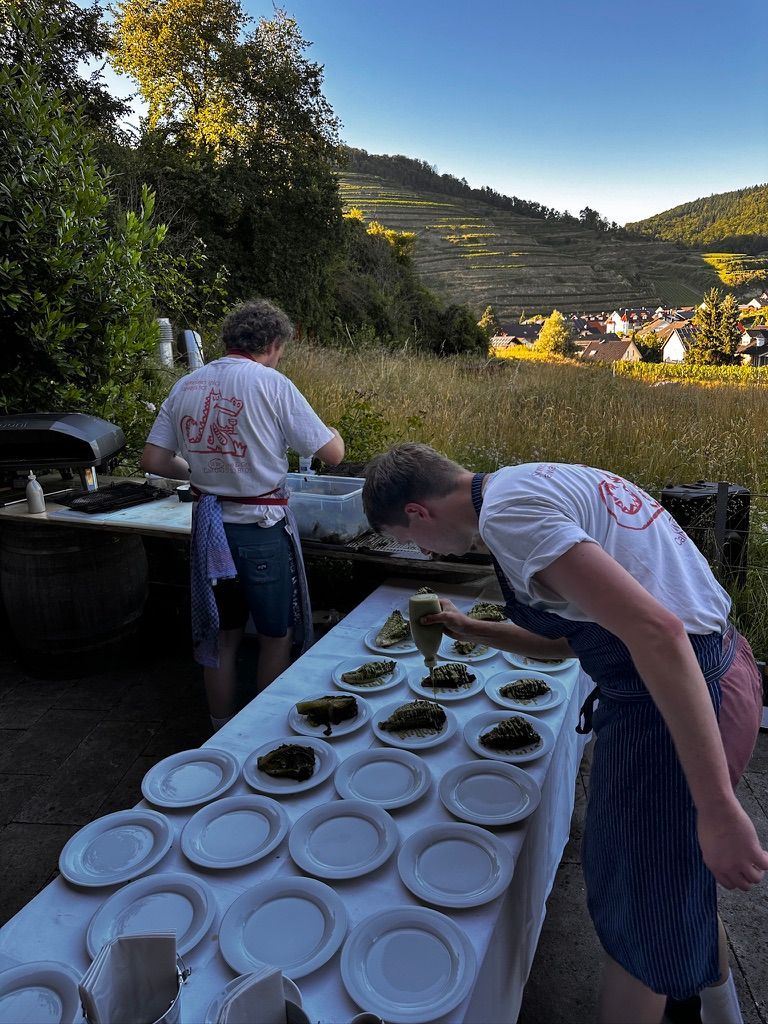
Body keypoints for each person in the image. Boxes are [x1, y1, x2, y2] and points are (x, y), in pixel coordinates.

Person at [362, 443, 766, 1024]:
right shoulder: (524, 483)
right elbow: (575, 636)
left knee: (639, 918)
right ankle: (724, 1014)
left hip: (676, 704)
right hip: (710, 675)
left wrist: (719, 808)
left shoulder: (509, 517)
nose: (420, 553)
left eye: (410, 540)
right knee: (673, 884)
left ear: (419, 512)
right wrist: (468, 628)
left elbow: (659, 634)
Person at [141, 299, 344, 730]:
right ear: (271, 344)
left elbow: (155, 459)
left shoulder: (187, 385)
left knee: (222, 636)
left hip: (210, 530)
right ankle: (259, 730)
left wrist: (195, 474)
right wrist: (335, 434)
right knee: (275, 634)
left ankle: (220, 727)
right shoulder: (270, 384)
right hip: (259, 533)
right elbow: (333, 454)